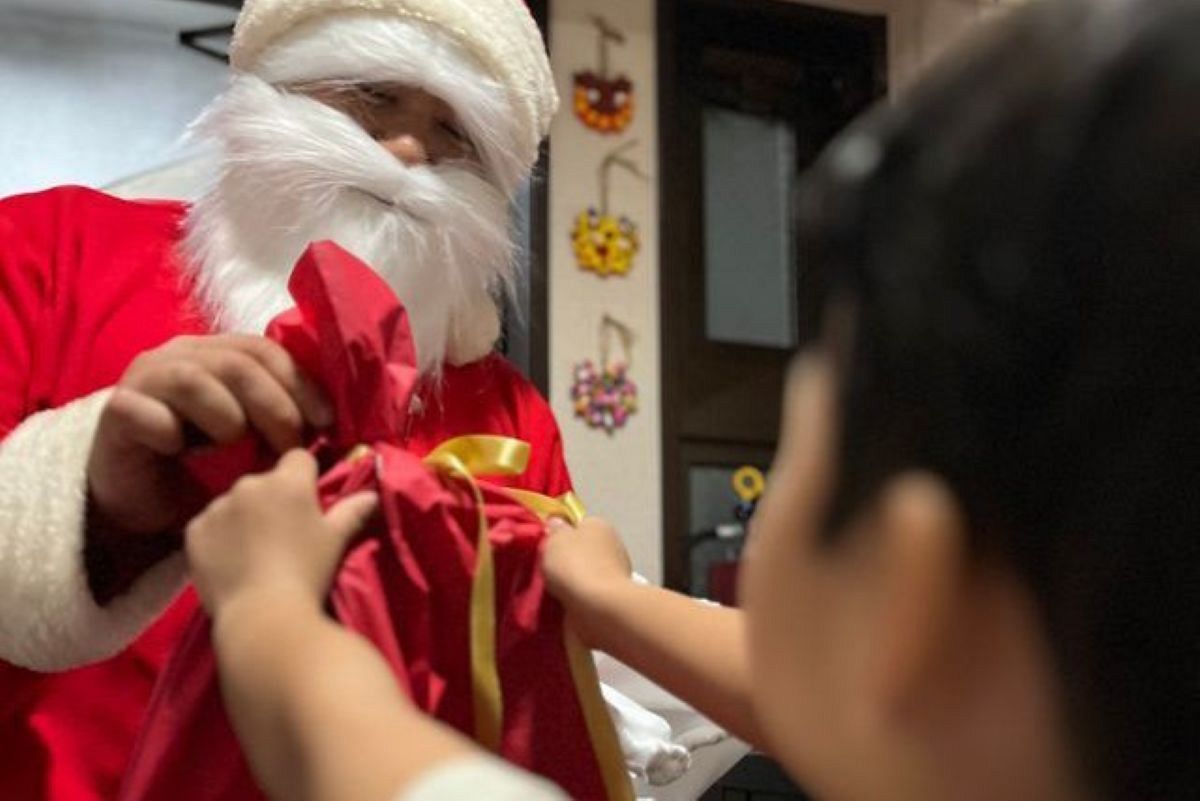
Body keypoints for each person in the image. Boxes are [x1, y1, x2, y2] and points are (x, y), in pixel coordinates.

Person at [184, 0, 1200, 798]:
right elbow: (801, 684)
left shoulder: (504, 403)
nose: (407, 151)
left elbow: (380, 764)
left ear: (910, 591)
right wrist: (618, 601)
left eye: (796, 457)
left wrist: (267, 615)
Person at [0, 1, 569, 798]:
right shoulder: (52, 248)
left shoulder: (512, 419)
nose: (408, 149)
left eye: (457, 133)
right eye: (371, 95)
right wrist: (92, 499)